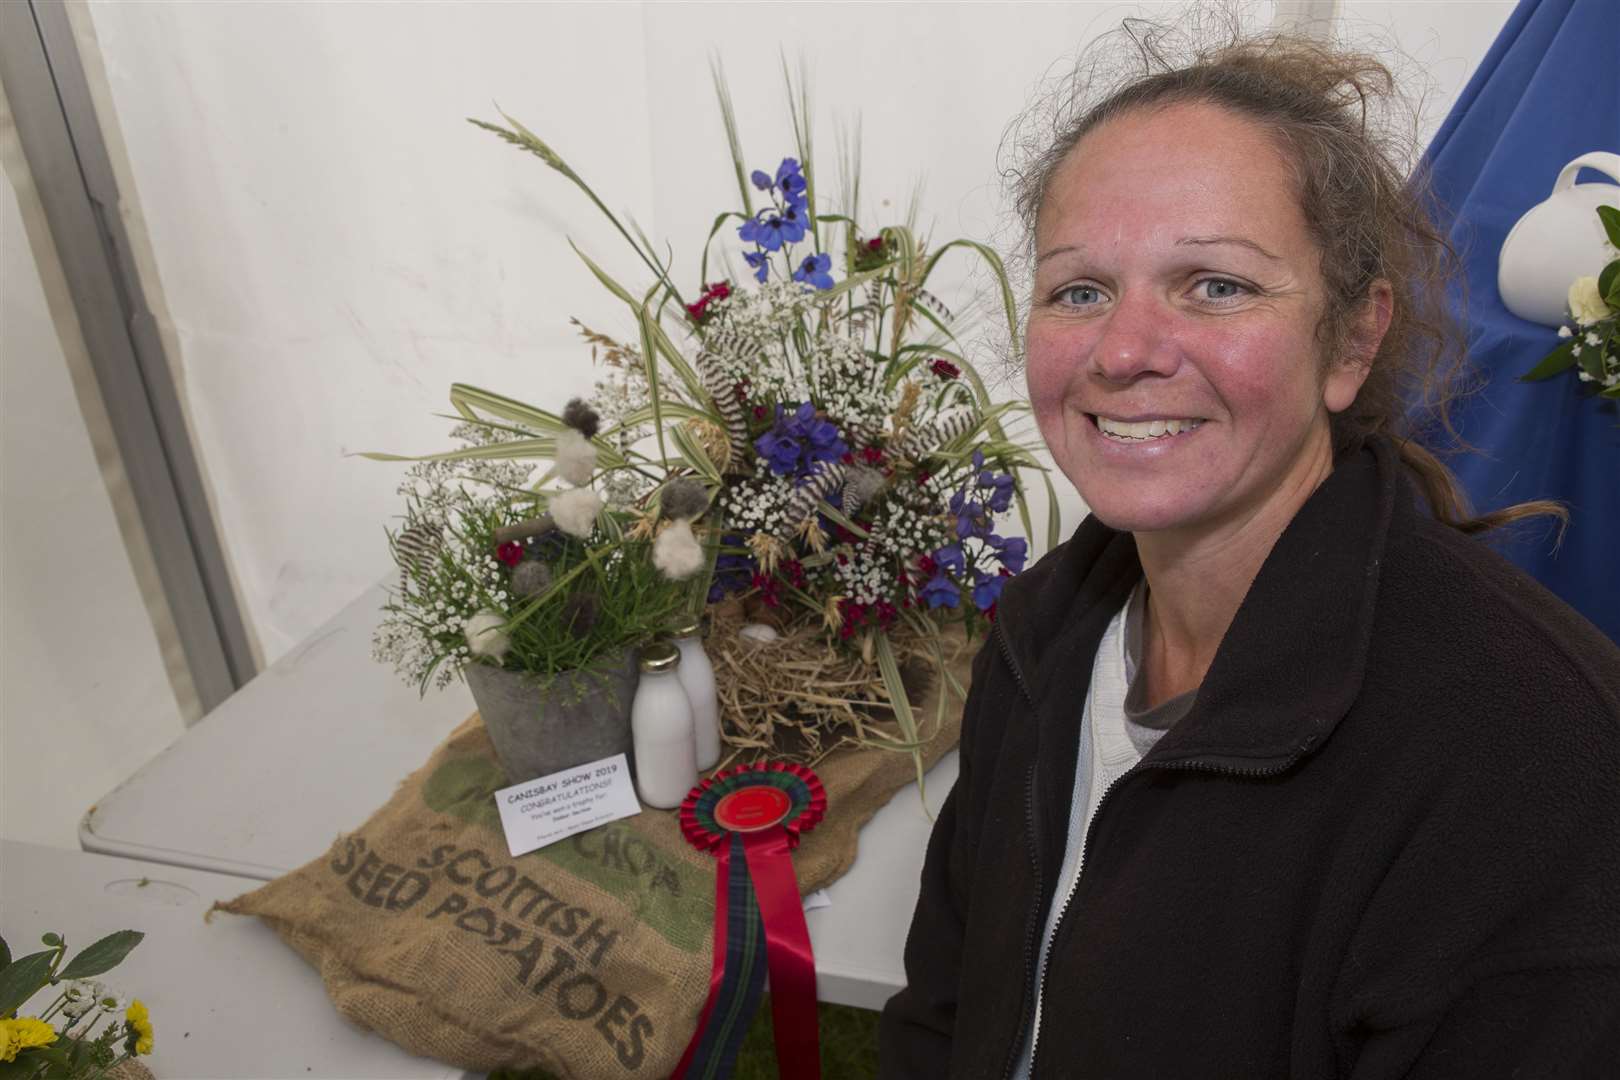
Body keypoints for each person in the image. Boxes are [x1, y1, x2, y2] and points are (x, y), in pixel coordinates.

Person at [879, 19, 1620, 1080]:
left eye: (1215, 286)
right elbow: (943, 1010)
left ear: (1353, 340)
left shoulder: (1535, 765)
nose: (1125, 351)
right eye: (1080, 289)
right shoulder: (1048, 628)